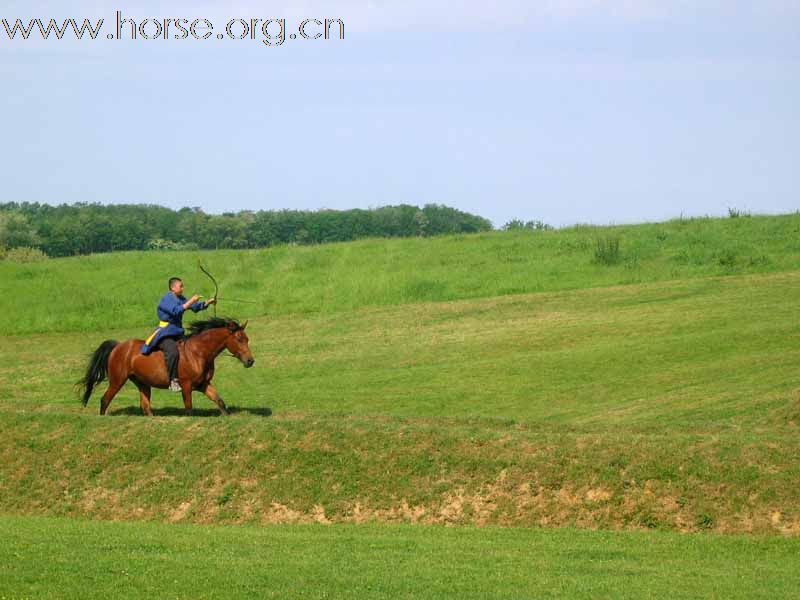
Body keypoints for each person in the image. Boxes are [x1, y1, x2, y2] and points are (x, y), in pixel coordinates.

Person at [140, 277, 216, 391]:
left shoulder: (180, 297)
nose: (183, 288)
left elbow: (193, 307)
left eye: (182, 286)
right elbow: (176, 311)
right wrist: (191, 301)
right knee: (173, 352)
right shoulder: (166, 299)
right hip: (165, 333)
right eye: (181, 286)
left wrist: (207, 303)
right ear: (172, 287)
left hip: (177, 332)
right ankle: (172, 381)